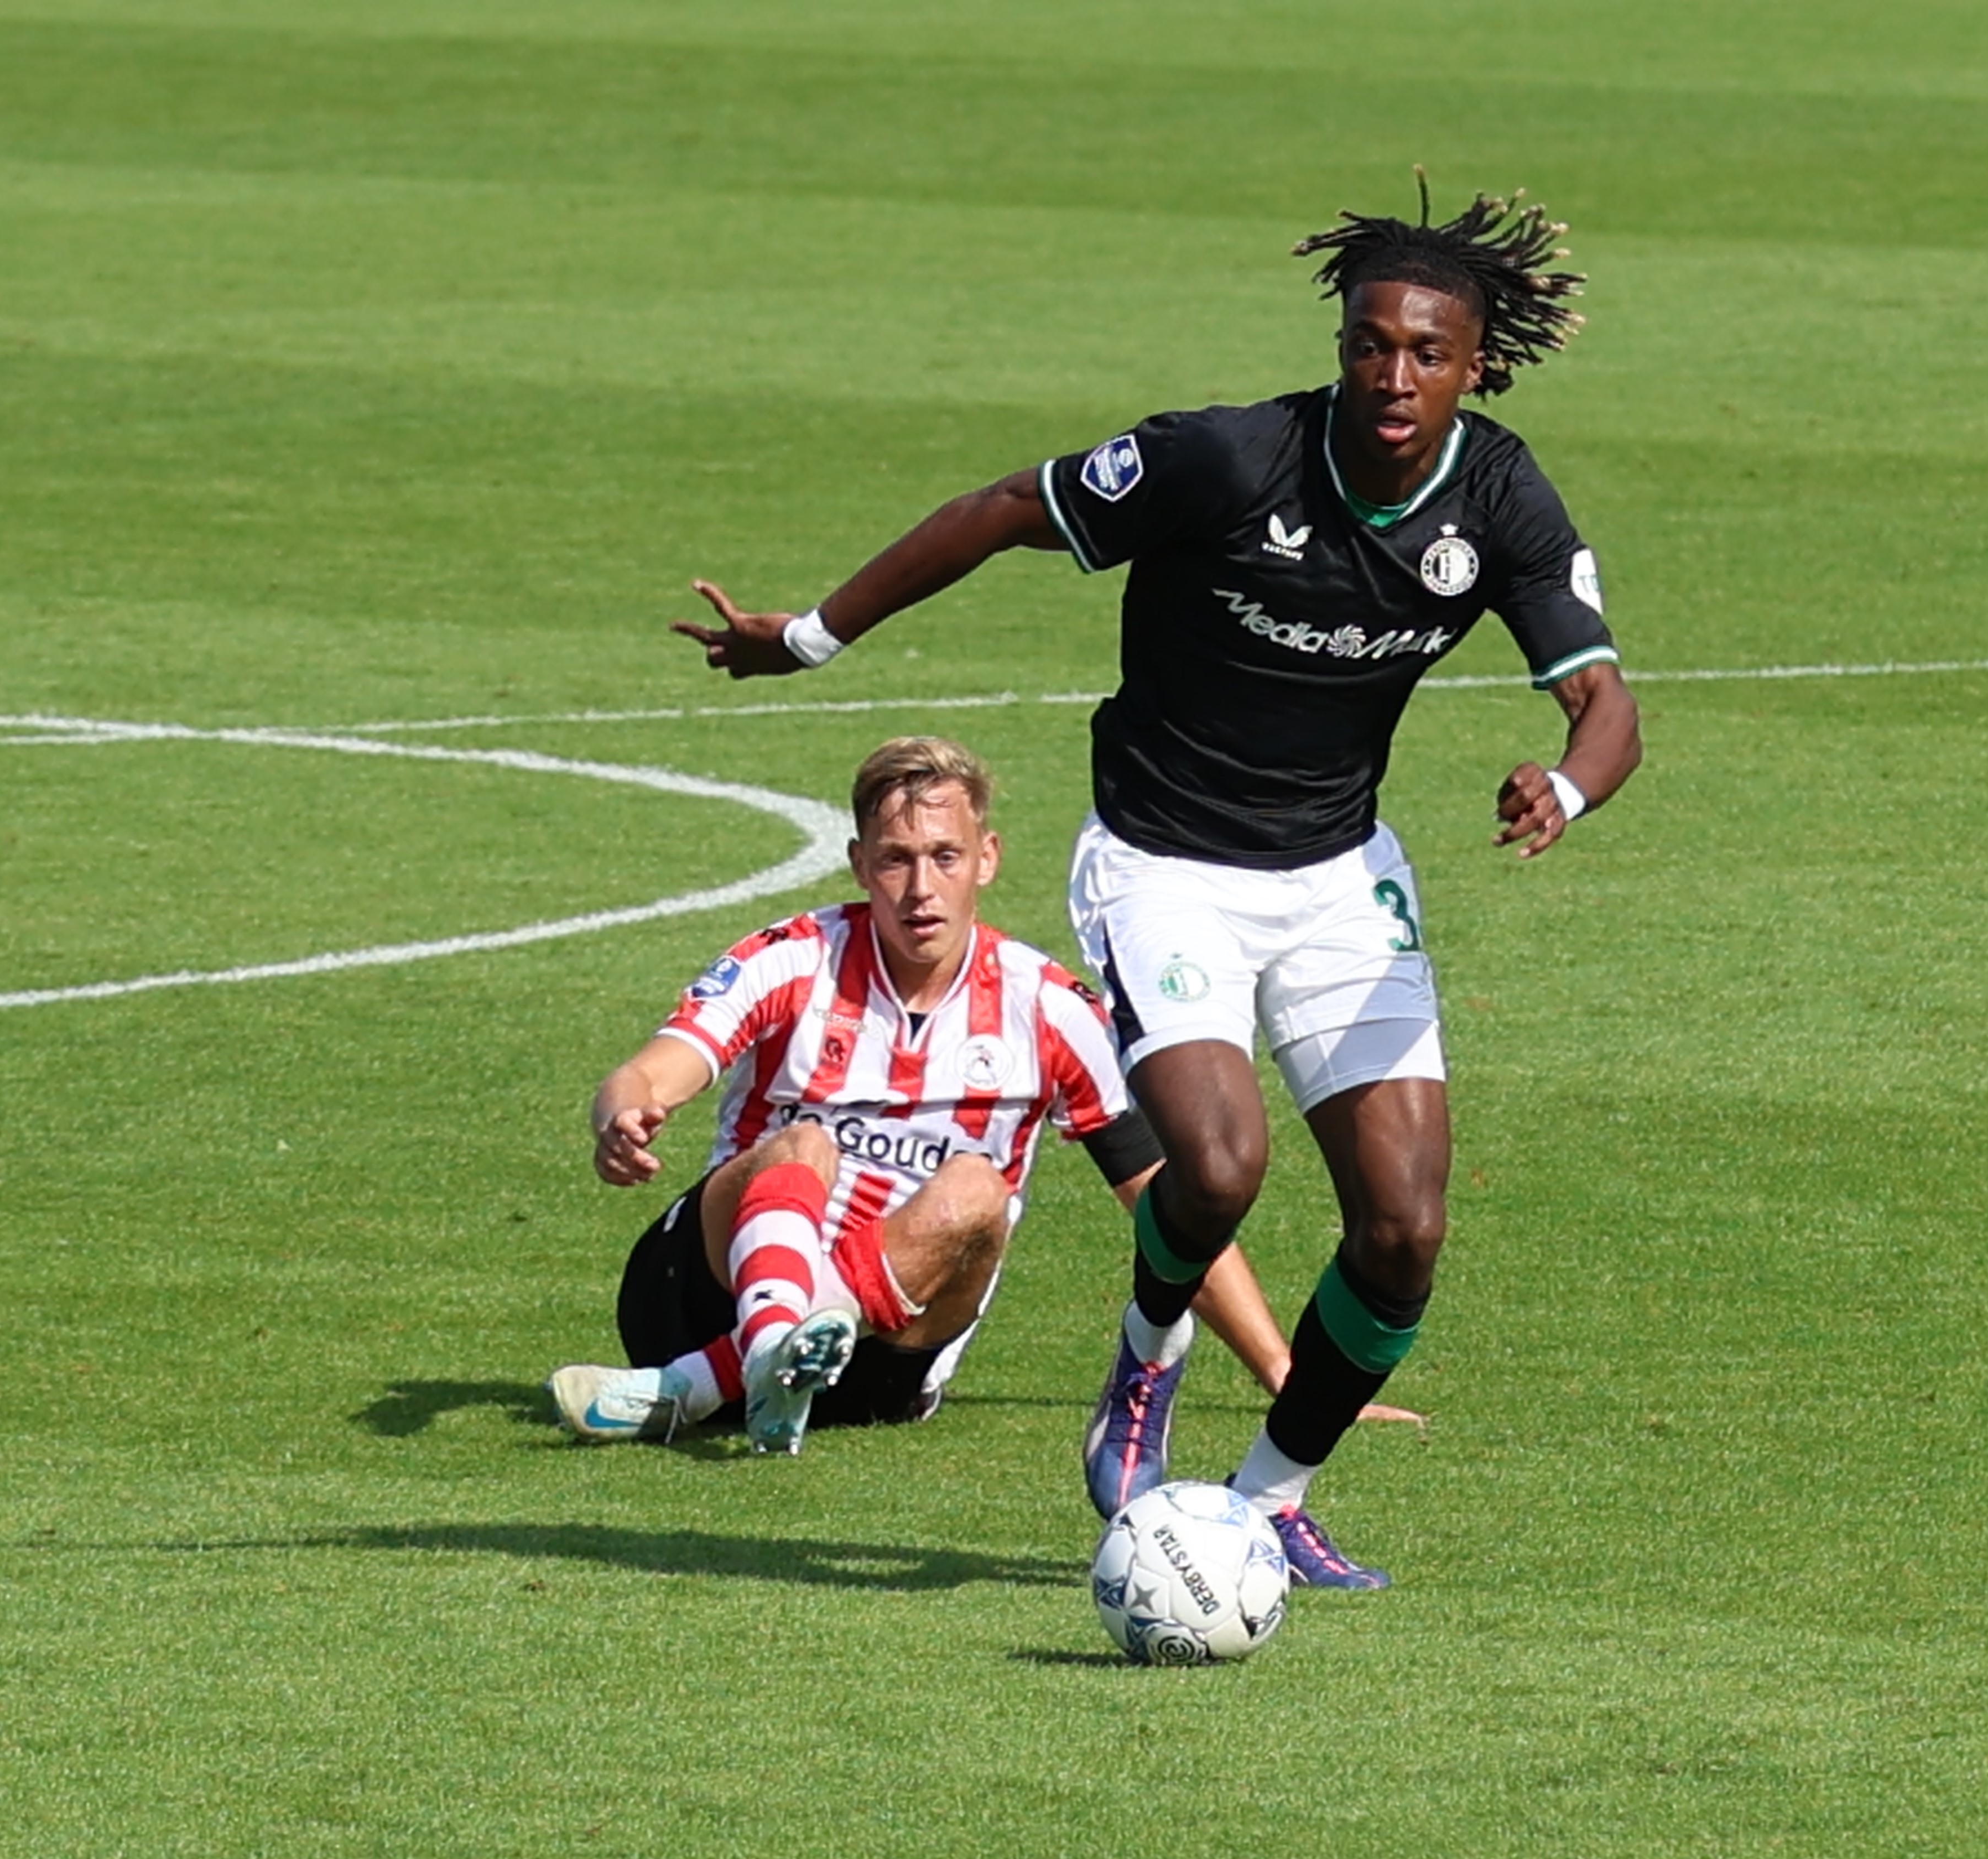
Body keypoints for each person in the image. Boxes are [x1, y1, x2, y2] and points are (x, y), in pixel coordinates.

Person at [672, 181, 1640, 1583]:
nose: (1394, 374)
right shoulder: (1229, 460)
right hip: (1163, 863)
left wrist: (1564, 783)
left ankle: (1267, 1498)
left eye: (1428, 352)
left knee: (1405, 1229)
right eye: (1371, 343)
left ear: (1475, 363)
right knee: (1219, 1162)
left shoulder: (1495, 493)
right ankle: (1144, 1362)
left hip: (1335, 875)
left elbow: (1606, 701)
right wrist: (813, 635)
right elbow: (1010, 506)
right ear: (1342, 343)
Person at [547, 735, 1397, 1450]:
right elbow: (655, 1067)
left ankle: (709, 1385)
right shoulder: (793, 956)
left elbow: (1171, 1205)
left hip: (886, 1359)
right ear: (859, 864)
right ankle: (757, 1353)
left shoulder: (1049, 1008)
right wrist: (619, 1113)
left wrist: (1287, 1374)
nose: (920, 888)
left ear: (984, 858)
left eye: (944, 857)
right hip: (699, 1297)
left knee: (973, 1192)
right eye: (895, 860)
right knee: (803, 1144)